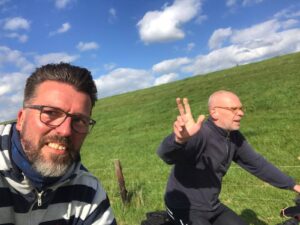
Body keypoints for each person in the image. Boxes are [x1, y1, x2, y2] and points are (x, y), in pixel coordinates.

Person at [157, 90, 300, 225]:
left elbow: (258, 164)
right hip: (183, 207)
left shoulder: (233, 137)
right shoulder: (199, 134)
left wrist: (293, 185)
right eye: (234, 109)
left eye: (241, 108)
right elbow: (166, 155)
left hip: (212, 204)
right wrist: (179, 140)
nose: (241, 113)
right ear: (214, 112)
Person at [0, 63, 116, 225]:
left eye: (79, 120)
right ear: (21, 119)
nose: (65, 131)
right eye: (51, 113)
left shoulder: (88, 192)